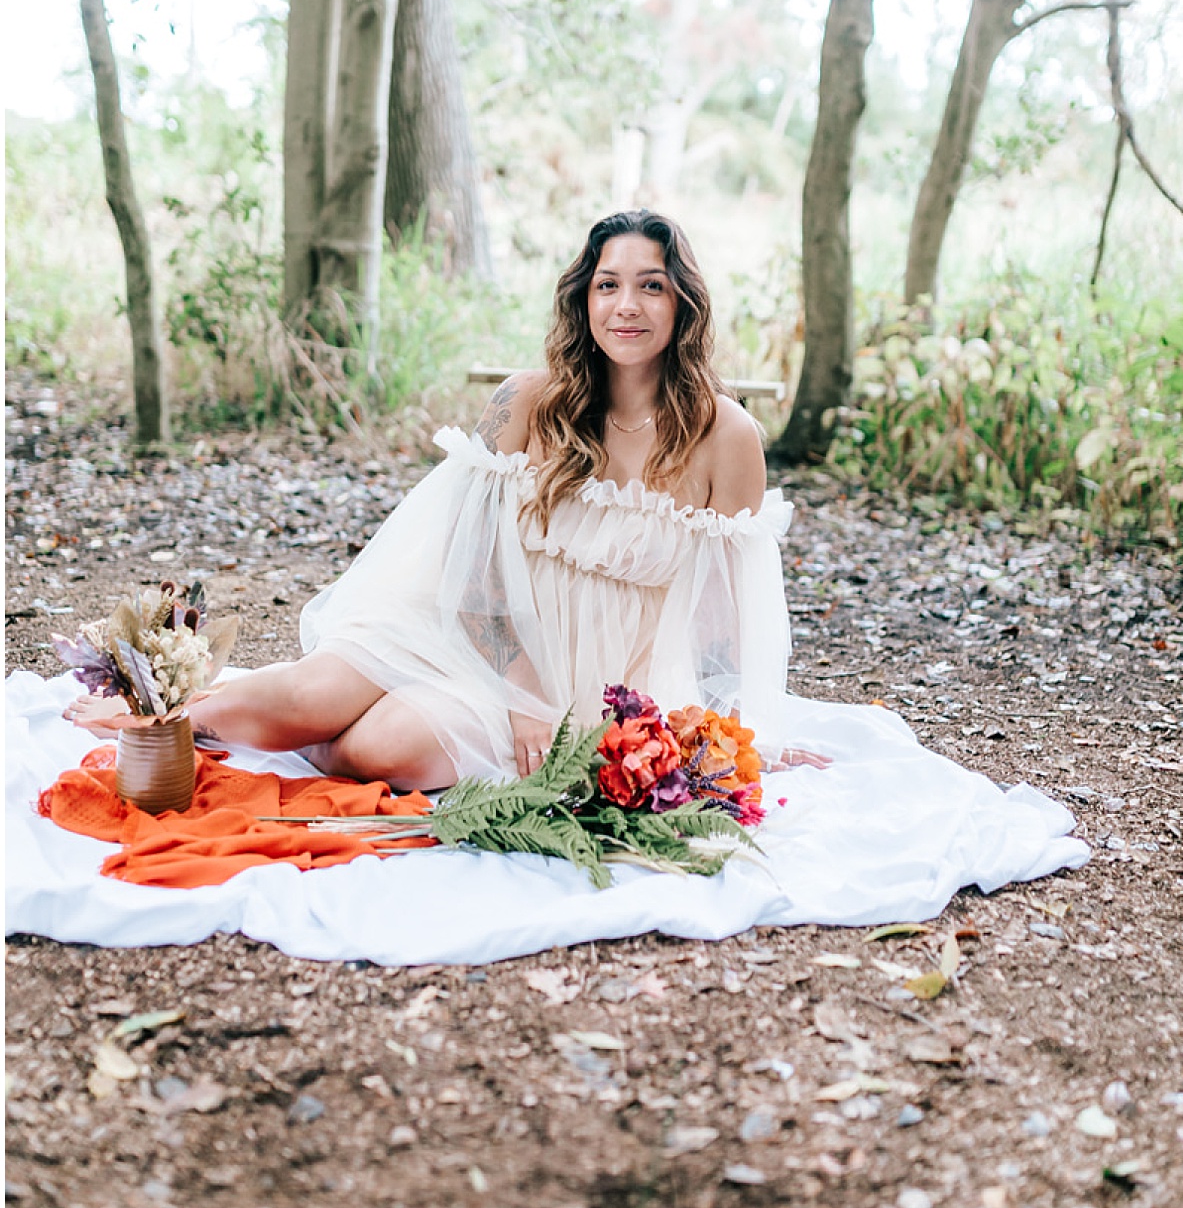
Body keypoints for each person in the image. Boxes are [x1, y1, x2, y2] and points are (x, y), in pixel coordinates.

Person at [68, 211, 830, 788]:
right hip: (483, 631)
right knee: (315, 688)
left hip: (606, 681)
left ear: (682, 302)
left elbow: (728, 619)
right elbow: (472, 569)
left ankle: (283, 729)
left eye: (650, 285)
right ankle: (158, 718)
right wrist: (525, 695)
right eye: (608, 284)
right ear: (583, 299)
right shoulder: (528, 402)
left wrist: (731, 730)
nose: (626, 304)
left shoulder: (725, 434)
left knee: (379, 751)